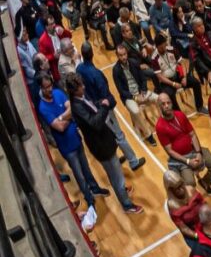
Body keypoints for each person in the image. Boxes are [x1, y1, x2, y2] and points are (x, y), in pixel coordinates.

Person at [66, 72, 144, 215]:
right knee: (117, 176)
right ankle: (127, 204)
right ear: (74, 90)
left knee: (115, 172)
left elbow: (91, 107)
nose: (83, 87)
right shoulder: (77, 106)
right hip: (102, 146)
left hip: (104, 141)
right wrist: (104, 107)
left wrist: (99, 104)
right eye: (80, 86)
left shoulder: (79, 99)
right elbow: (95, 123)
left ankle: (122, 192)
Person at [37, 73, 107, 228]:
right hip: (66, 147)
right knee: (79, 176)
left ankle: (96, 189)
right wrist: (66, 117)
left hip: (76, 138)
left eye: (50, 86)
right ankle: (90, 200)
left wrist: (62, 118)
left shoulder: (58, 92)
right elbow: (59, 127)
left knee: (86, 169)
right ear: (40, 88)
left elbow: (70, 111)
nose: (49, 90)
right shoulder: (42, 107)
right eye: (46, 88)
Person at [76, 42, 146, 170]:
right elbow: (105, 94)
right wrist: (112, 103)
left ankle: (116, 156)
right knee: (119, 135)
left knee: (109, 134)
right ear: (92, 54)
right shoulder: (96, 74)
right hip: (104, 110)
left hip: (92, 109)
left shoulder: (79, 69)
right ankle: (133, 161)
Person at [155, 93, 211, 191]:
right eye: (163, 104)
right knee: (190, 183)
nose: (166, 106)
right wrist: (187, 161)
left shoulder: (180, 115)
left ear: (171, 103)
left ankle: (206, 180)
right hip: (181, 159)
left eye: (168, 103)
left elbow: (193, 135)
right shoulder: (160, 126)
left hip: (194, 151)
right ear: (159, 106)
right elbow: (170, 151)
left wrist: (198, 153)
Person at [111, 43, 159, 146]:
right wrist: (134, 97)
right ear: (117, 56)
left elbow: (143, 78)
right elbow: (121, 90)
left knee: (158, 98)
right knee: (136, 111)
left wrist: (143, 90)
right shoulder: (116, 70)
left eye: (124, 54)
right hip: (129, 97)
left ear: (127, 54)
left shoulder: (134, 62)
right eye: (120, 55)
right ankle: (148, 135)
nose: (123, 57)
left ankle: (164, 122)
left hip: (141, 92)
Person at [164, 169, 205, 248]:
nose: (182, 189)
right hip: (192, 231)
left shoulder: (191, 189)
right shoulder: (172, 205)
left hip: (205, 221)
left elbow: (204, 205)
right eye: (177, 188)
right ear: (171, 191)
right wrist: (198, 236)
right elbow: (183, 228)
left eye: (181, 185)